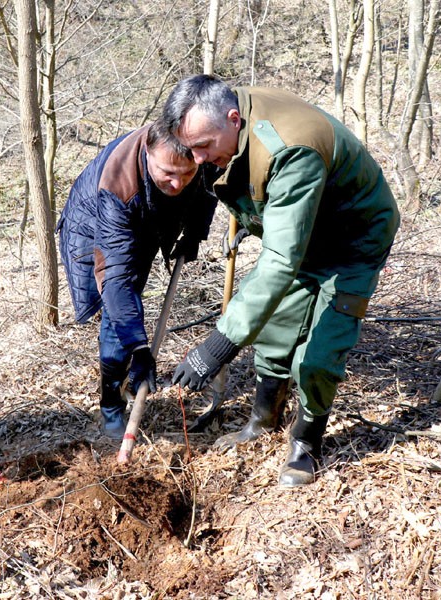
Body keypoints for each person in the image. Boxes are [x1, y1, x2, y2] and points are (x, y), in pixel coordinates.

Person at [164, 75, 399, 486]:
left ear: (233, 119)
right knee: (275, 326)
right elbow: (266, 211)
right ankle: (263, 419)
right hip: (304, 235)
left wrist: (218, 346)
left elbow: (279, 259)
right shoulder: (231, 122)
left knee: (320, 352)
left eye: (203, 146)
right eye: (192, 148)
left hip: (353, 241)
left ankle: (306, 444)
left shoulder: (290, 149)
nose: (198, 159)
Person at [57, 120, 218, 438]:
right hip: (94, 222)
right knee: (118, 312)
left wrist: (195, 234)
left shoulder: (202, 155)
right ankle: (111, 404)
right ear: (148, 152)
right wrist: (141, 349)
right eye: (168, 173)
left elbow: (207, 189)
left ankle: (125, 370)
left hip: (147, 214)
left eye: (186, 173)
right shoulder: (118, 187)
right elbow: (118, 281)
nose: (177, 184)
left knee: (125, 306)